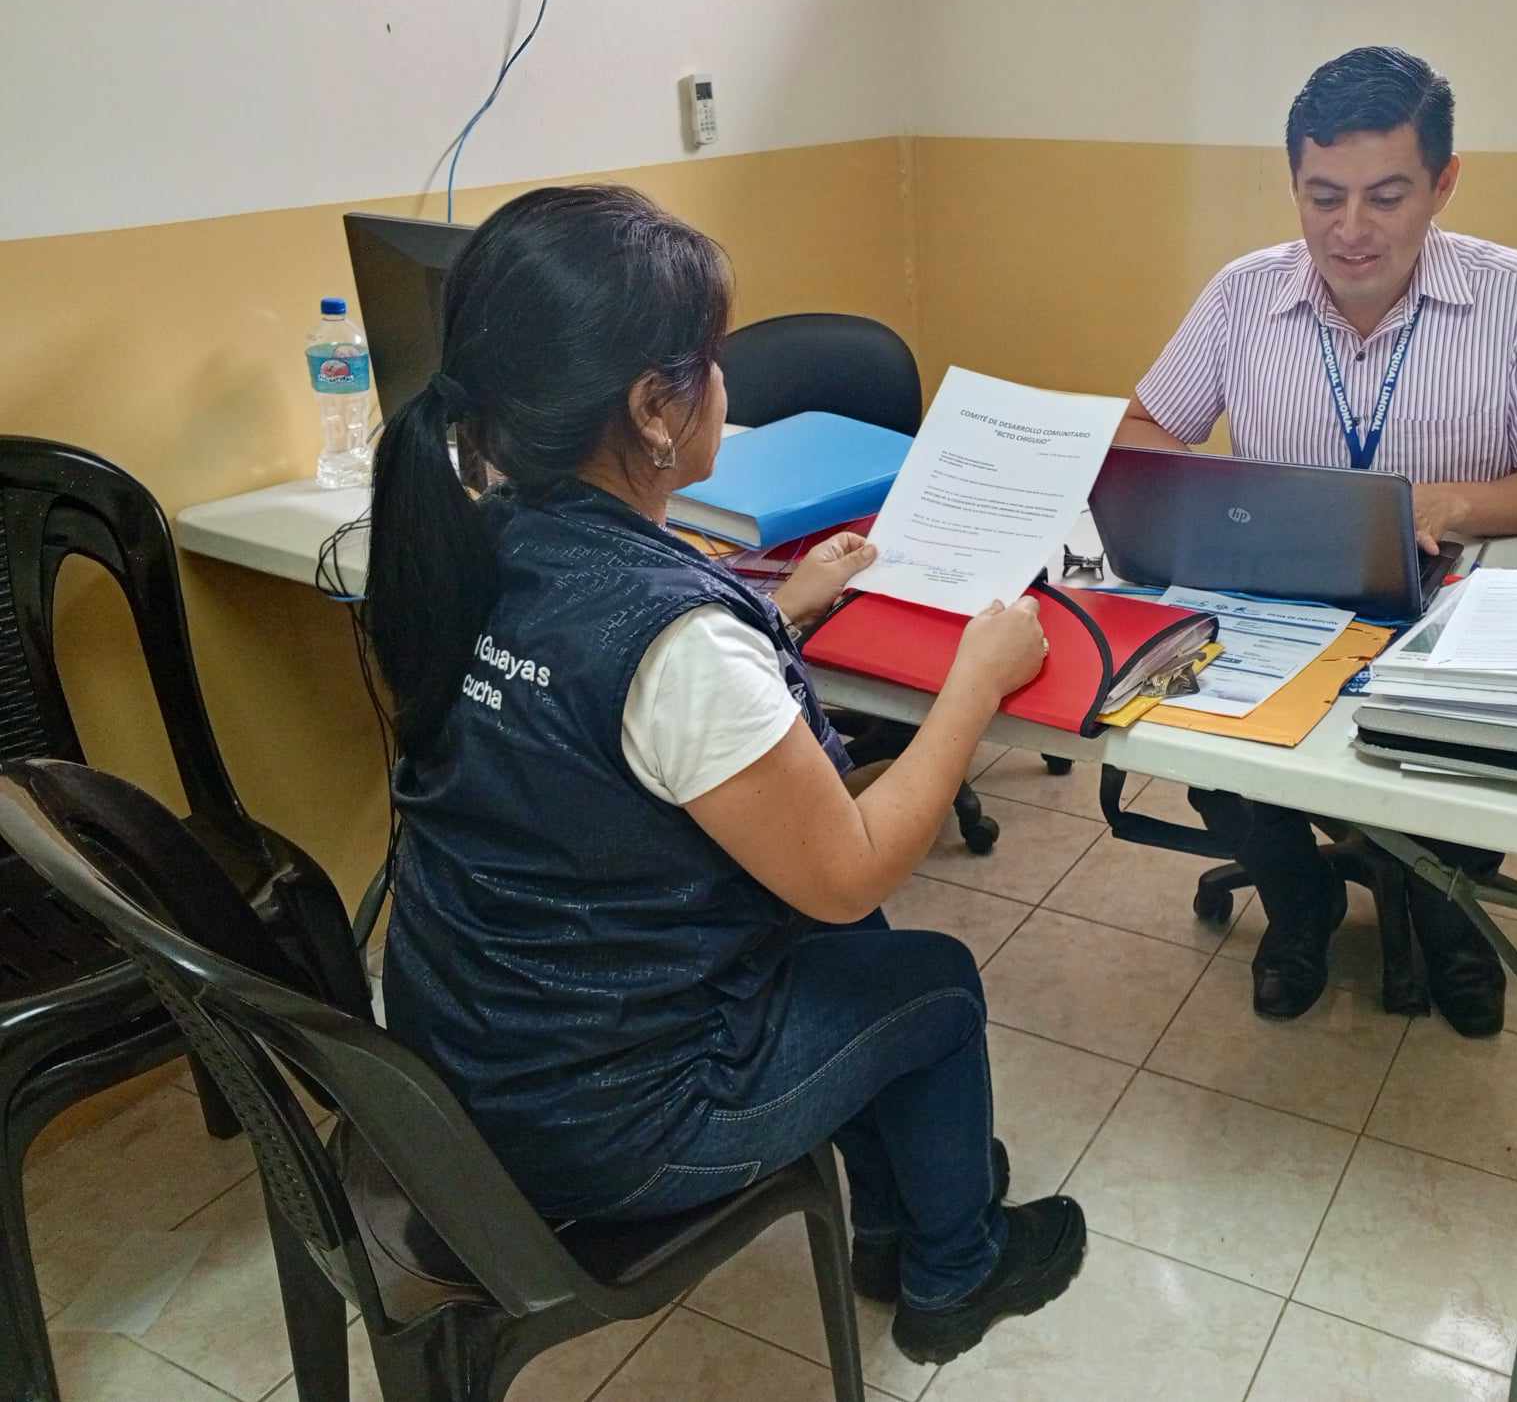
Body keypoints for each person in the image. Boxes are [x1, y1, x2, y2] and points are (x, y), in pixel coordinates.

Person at [364, 184, 1084, 1364]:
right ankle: (957, 1272)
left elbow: (609, 713)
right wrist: (976, 679)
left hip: (479, 1066)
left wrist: (772, 613)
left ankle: (895, 1222)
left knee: (857, 953)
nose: (724, 383)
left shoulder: (480, 540)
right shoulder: (677, 643)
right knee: (935, 981)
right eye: (710, 359)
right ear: (655, 410)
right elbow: (848, 870)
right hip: (615, 1129)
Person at [1118, 47, 1517, 1031]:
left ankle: (1447, 906)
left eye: (1385, 197)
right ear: (1294, 184)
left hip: (1446, 607)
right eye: (1323, 197)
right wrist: (1227, 496)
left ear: (1442, 182)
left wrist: (1446, 505)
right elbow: (1140, 430)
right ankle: (1297, 899)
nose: (1349, 231)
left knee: (1472, 748)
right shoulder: (1243, 295)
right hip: (1279, 601)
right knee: (1190, 718)